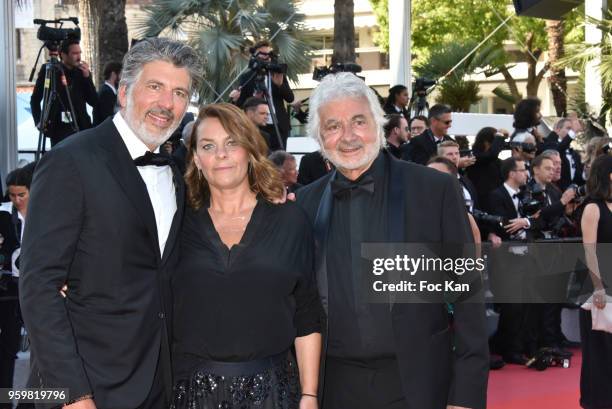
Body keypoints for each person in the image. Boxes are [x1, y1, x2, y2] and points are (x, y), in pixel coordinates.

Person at [19, 38, 201, 409]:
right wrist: (73, 394)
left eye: (179, 92)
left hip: (160, 383)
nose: (167, 104)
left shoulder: (178, 172)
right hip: (89, 386)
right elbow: (39, 285)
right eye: (155, 87)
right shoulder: (71, 161)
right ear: (123, 93)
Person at [296, 72, 488, 409]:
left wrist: (465, 396)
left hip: (418, 383)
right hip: (335, 388)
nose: (348, 136)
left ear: (379, 125)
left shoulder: (434, 190)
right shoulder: (304, 204)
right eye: (333, 126)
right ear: (319, 137)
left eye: (358, 121)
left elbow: (467, 296)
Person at [172, 103, 321, 409]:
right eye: (208, 146)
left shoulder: (290, 219)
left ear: (250, 150)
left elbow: (307, 312)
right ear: (197, 159)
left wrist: (309, 394)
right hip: (192, 393)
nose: (221, 155)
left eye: (232, 143)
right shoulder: (176, 220)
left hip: (274, 393)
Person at [579, 154, 612, 409]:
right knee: (600, 351)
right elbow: (589, 250)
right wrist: (599, 286)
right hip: (598, 285)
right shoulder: (592, 207)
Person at [0, 164, 34, 407]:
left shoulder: (47, 212)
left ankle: (30, 403)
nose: (16, 200)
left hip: (38, 290)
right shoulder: (3, 216)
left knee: (44, 353)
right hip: (9, 293)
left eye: (21, 195)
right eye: (12, 195)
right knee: (6, 351)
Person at [30, 38, 98, 147]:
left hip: (81, 128)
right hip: (59, 130)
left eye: (79, 53)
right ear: (63, 55)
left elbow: (94, 101)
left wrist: (87, 78)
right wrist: (39, 121)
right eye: (74, 53)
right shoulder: (50, 71)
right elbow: (35, 99)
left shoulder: (82, 72)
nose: (79, 57)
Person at [235, 40, 295, 150]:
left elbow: (290, 98)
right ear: (254, 56)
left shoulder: (277, 74)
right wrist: (239, 98)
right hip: (257, 127)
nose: (266, 58)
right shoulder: (247, 77)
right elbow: (241, 105)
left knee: (280, 161)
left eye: (268, 55)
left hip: (279, 126)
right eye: (262, 54)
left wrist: (280, 85)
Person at [541, 118, 585, 190]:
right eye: (568, 128)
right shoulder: (550, 145)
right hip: (555, 191)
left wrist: (586, 173)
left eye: (572, 129)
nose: (571, 131)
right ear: (558, 130)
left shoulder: (575, 154)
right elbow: (559, 149)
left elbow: (578, 178)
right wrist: (573, 132)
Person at [93, 61, 122, 126]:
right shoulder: (106, 92)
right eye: (120, 74)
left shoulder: (112, 90)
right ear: (113, 74)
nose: (121, 77)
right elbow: (107, 117)